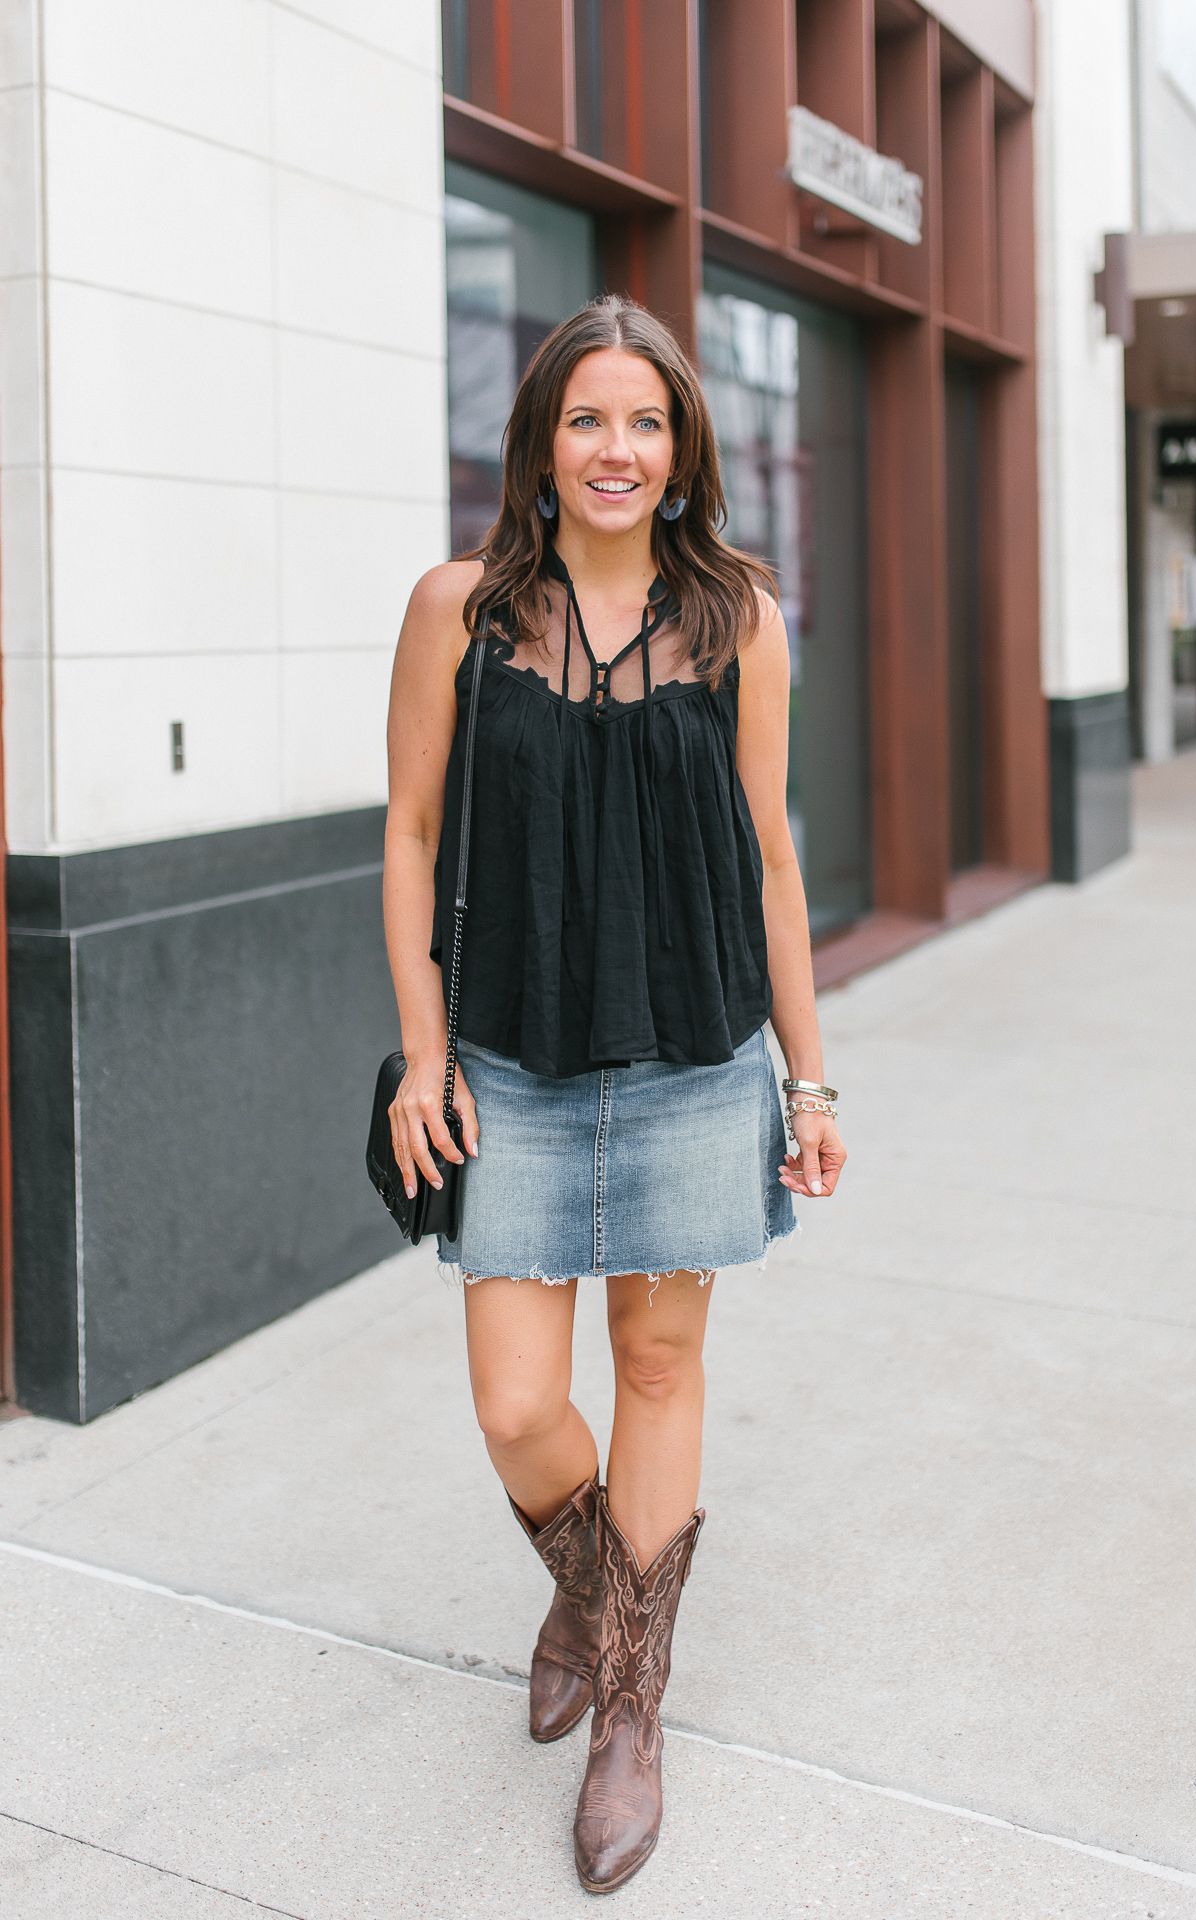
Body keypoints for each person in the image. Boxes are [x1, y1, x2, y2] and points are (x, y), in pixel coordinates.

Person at [382, 295, 845, 1895]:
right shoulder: (458, 608)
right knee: (517, 1402)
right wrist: (425, 1054)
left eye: (645, 421)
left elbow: (772, 858)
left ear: (682, 448)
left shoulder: (736, 618)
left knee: (656, 1367)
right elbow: (409, 839)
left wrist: (808, 1073)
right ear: (540, 438)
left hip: (693, 1061)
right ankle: (594, 1593)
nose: (617, 449)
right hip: (507, 1057)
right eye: (587, 418)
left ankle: (630, 1711)